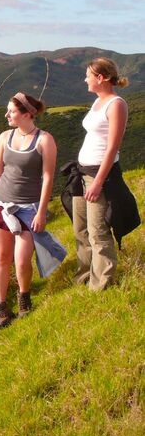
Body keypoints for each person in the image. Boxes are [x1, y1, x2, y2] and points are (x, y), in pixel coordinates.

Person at [0, 92, 65, 327]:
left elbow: (48, 177)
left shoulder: (45, 140)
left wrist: (41, 212)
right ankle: (1, 307)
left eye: (12, 111)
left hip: (27, 208)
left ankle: (24, 298)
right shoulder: (4, 137)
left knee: (23, 260)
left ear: (27, 114)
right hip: (1, 204)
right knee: (2, 258)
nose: (7, 115)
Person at [60, 57, 138, 291]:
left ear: (101, 78)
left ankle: (102, 284)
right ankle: (84, 276)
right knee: (80, 229)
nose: (85, 79)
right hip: (83, 173)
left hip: (99, 177)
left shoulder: (116, 104)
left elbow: (113, 146)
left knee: (97, 231)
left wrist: (98, 183)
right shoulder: (97, 103)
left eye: (88, 76)